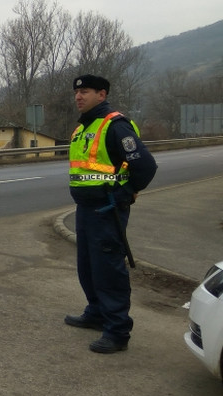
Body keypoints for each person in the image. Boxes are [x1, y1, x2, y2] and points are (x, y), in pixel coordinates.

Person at [64, 74, 158, 353]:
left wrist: (123, 194)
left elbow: (145, 167)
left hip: (107, 211)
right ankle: (96, 313)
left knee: (108, 270)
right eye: (77, 93)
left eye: (86, 92)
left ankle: (117, 331)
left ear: (101, 95)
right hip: (86, 209)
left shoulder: (115, 126)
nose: (79, 97)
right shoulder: (83, 128)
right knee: (88, 267)